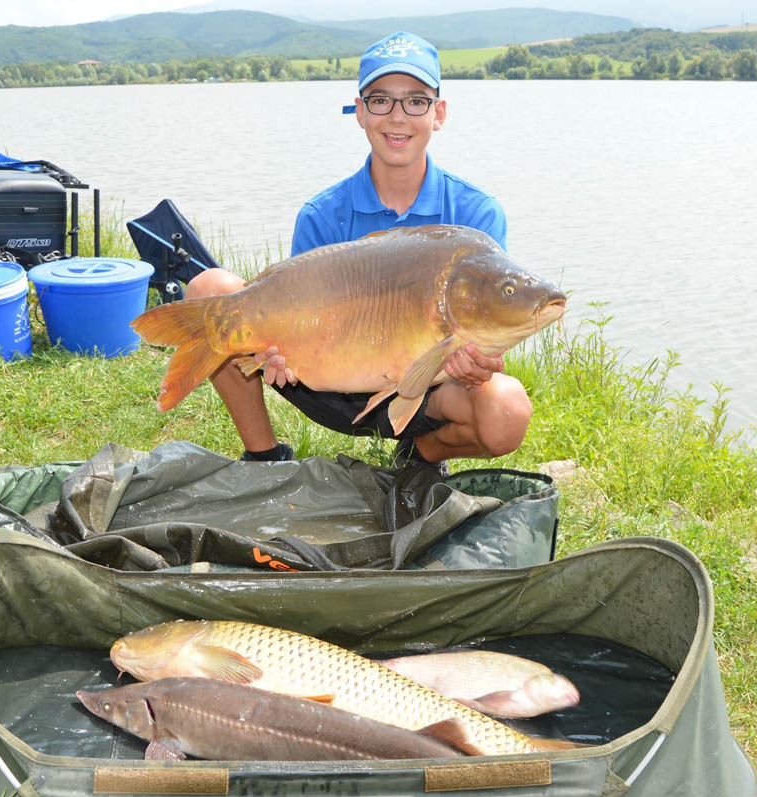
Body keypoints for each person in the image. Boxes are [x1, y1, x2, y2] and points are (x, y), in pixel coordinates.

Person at [184, 31, 533, 473]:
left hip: (429, 387)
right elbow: (292, 321)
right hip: (325, 385)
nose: (398, 116)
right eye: (381, 100)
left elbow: (488, 342)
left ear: (438, 113)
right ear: (360, 112)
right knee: (210, 290)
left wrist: (481, 363)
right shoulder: (322, 214)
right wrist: (274, 354)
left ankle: (419, 455)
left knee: (507, 408)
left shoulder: (475, 213)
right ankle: (264, 455)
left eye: (416, 101)